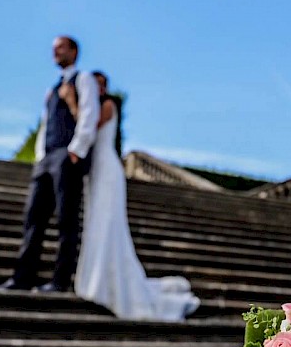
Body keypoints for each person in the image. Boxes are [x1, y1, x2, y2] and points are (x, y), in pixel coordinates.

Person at [73, 71, 200, 321]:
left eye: (99, 84)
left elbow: (88, 126)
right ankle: (97, 281)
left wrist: (71, 102)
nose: (94, 89)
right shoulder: (93, 106)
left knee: (109, 225)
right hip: (95, 171)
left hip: (108, 169)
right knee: (97, 225)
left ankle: (107, 284)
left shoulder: (107, 105)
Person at [0, 36, 99, 292]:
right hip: (47, 158)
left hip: (67, 154)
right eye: (54, 48)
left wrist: (76, 150)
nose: (55, 51)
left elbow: (89, 114)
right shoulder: (51, 90)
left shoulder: (84, 79)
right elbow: (45, 124)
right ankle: (22, 277)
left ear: (74, 51)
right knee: (33, 218)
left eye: (61, 47)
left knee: (66, 220)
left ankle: (60, 281)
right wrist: (41, 155)